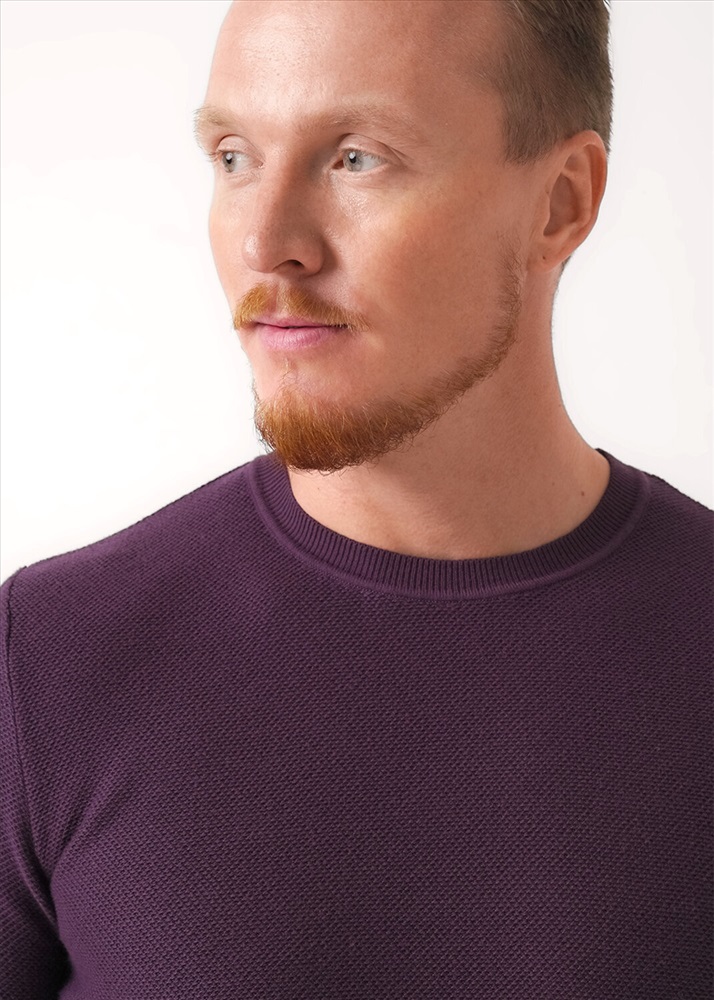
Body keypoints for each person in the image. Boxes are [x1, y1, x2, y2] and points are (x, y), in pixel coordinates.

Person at [1, 1, 710, 996]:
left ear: (560, 203)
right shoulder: (48, 661)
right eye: (235, 157)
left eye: (356, 158)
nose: (267, 243)